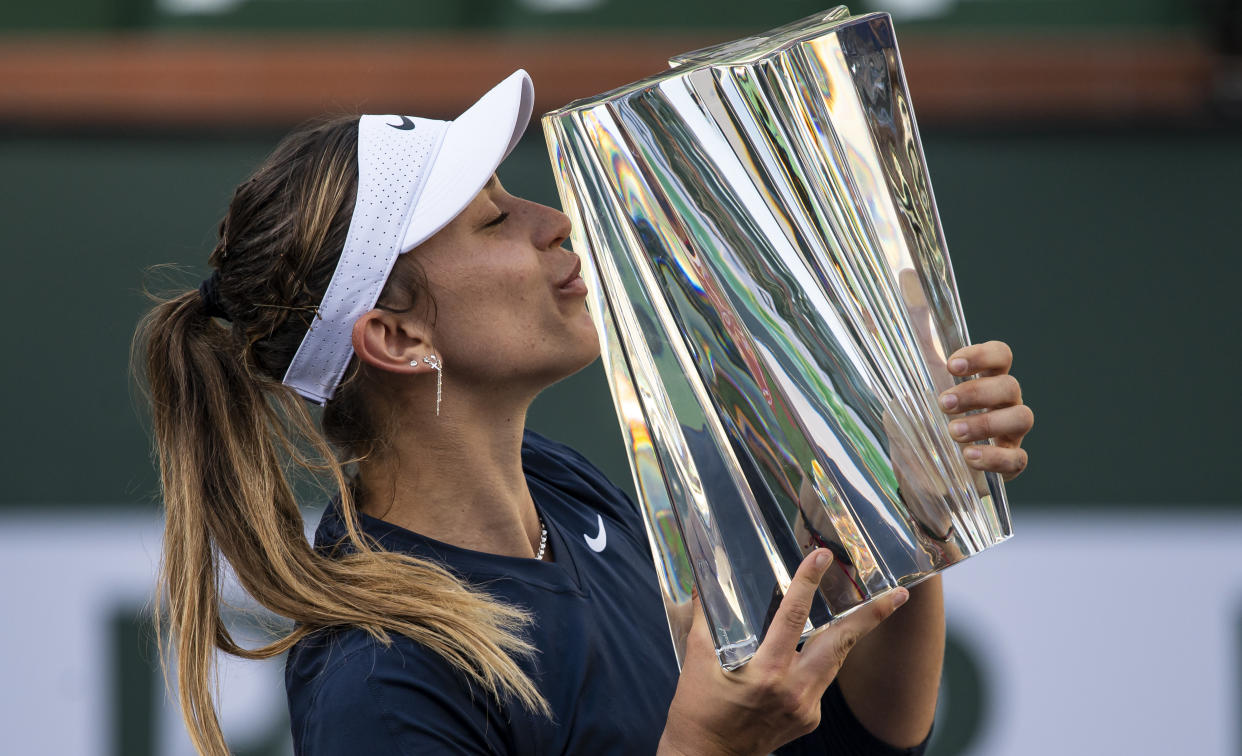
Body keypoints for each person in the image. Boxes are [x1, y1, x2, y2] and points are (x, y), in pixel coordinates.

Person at [134, 70, 1033, 756]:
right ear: (398, 340)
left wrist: (908, 527)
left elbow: (858, 740)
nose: (555, 220)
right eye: (492, 222)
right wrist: (705, 748)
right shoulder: (380, 681)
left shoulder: (561, 492)